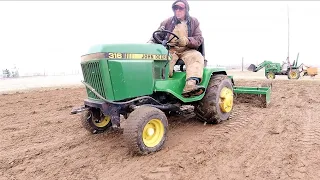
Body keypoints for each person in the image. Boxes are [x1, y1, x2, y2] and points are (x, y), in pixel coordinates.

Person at [148, 0, 205, 97]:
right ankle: (158, 91)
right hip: (170, 50)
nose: (178, 11)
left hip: (187, 50)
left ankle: (190, 85)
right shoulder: (167, 22)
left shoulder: (194, 22)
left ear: (186, 9)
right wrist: (150, 44)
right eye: (175, 8)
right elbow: (156, 35)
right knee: (162, 65)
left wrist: (187, 41)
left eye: (181, 8)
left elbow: (199, 39)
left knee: (196, 57)